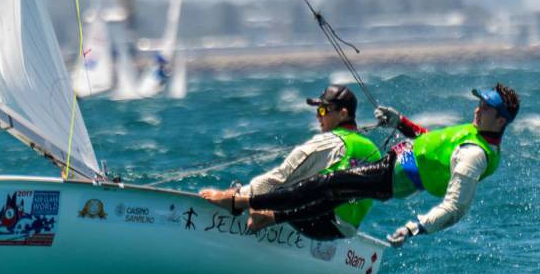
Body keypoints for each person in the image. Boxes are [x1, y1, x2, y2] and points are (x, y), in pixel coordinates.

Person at [221, 83, 521, 246]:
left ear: (501, 120)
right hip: (396, 163)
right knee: (332, 195)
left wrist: (417, 227)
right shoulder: (477, 129)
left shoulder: (475, 155)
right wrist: (399, 122)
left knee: (329, 184)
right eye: (480, 103)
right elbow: (432, 143)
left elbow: (456, 207)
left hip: (392, 178)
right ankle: (269, 216)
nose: (478, 109)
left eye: (486, 107)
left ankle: (245, 201)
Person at [199, 84, 381, 240]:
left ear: (343, 114)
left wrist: (237, 195)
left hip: (317, 222)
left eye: (324, 110)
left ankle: (238, 203)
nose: (318, 116)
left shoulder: (329, 144)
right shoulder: (373, 149)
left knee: (285, 184)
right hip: (346, 230)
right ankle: (266, 215)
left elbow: (279, 177)